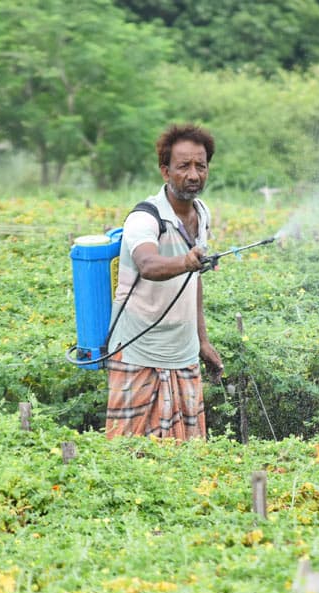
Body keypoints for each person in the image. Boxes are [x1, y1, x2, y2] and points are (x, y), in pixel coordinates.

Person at [104, 124, 224, 440]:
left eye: (201, 165)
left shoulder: (202, 213)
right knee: (125, 450)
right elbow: (148, 264)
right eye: (183, 166)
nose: (194, 174)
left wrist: (202, 340)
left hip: (182, 349)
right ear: (165, 171)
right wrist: (186, 261)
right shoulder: (144, 218)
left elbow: (193, 281)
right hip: (136, 348)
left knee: (187, 451)